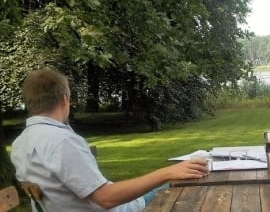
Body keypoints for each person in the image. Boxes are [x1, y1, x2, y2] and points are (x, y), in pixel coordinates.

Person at [10, 67, 209, 212]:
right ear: (64, 99)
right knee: (184, 188)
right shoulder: (60, 141)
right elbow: (106, 199)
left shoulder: (21, 143)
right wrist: (166, 173)